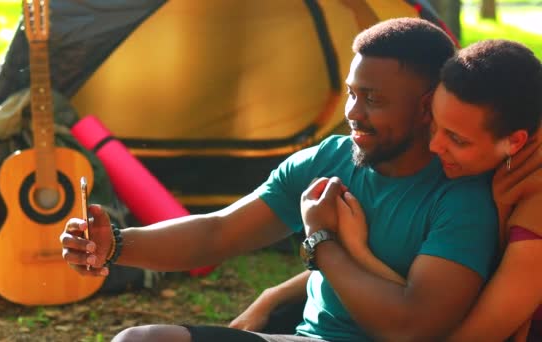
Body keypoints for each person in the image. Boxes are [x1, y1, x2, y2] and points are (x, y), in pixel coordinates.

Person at [60, 18, 500, 341]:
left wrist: (321, 241)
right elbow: (217, 233)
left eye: (374, 99)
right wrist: (116, 243)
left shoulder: (460, 199)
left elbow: (413, 326)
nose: (353, 113)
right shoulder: (330, 159)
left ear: (426, 108)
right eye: (351, 93)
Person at [232, 39, 542, 341]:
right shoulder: (492, 163)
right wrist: (273, 297)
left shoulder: (534, 209)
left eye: (457, 139)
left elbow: (441, 331)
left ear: (515, 141)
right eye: (435, 126)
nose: (434, 146)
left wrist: (345, 247)